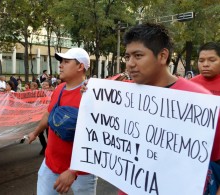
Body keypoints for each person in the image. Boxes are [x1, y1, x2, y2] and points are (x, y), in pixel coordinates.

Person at [82, 23, 220, 195]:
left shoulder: (200, 102)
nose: (130, 64)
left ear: (162, 56)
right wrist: (91, 96)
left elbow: (216, 159)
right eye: (127, 57)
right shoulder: (121, 96)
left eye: (138, 55)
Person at [28, 48, 97, 195]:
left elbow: (95, 139)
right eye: (61, 61)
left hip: (81, 173)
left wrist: (73, 170)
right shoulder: (59, 88)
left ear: (80, 67)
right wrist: (35, 133)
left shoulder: (93, 94)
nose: (60, 65)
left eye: (66, 61)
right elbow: (48, 115)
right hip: (50, 164)